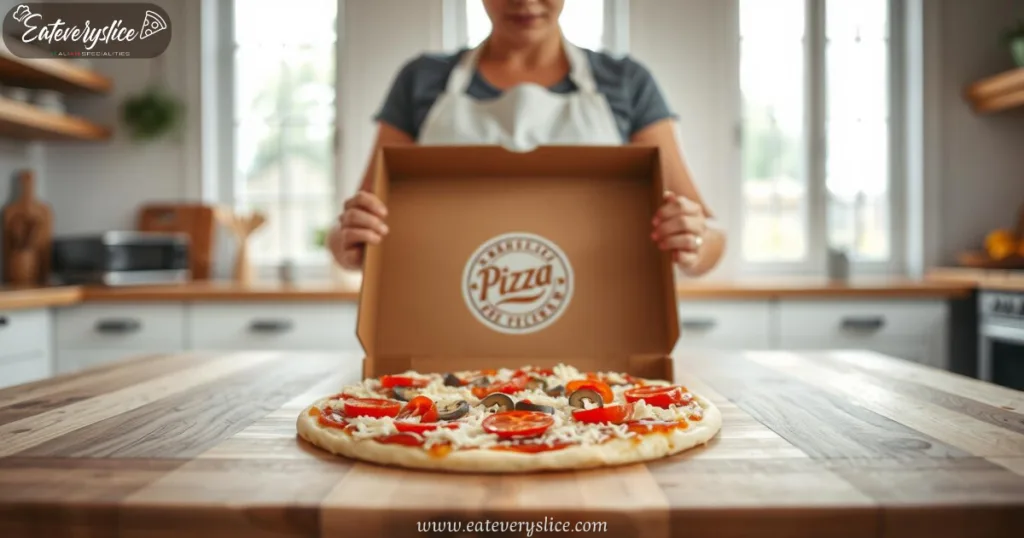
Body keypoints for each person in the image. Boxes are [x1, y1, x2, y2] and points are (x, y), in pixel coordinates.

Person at [327, 0, 725, 276]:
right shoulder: (420, 79)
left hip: (597, 337)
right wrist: (349, 243)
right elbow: (358, 221)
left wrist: (692, 242)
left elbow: (709, 233)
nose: (524, 1)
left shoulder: (626, 82)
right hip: (443, 335)